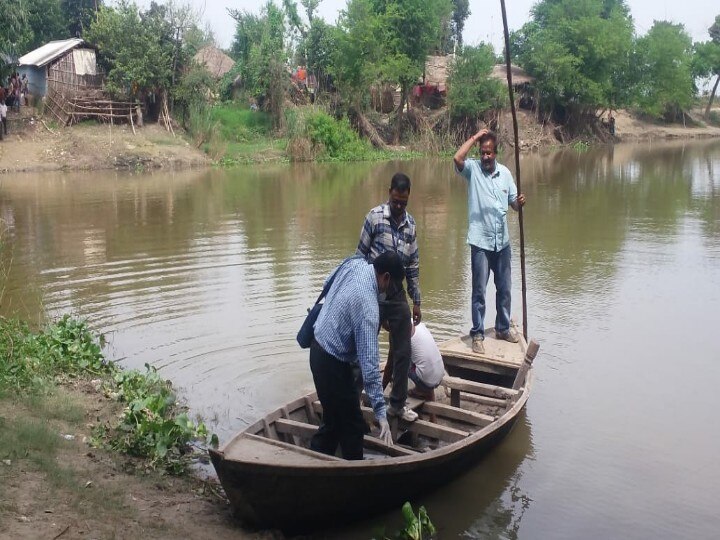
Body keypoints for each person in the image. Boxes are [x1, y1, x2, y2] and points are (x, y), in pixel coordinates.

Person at [310, 252, 403, 460]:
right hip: (329, 361)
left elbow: (327, 282)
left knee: (336, 420)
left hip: (318, 347)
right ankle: (353, 473)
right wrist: (381, 413)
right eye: (392, 287)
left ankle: (319, 464)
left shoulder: (355, 263)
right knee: (351, 425)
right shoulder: (368, 307)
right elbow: (369, 366)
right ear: (386, 277)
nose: (388, 293)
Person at [453, 129, 526, 354]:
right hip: (480, 243)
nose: (485, 157)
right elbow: (457, 158)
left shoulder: (505, 174)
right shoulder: (473, 170)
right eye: (482, 153)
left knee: (504, 289)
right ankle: (477, 334)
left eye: (489, 153)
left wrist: (520, 202)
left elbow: (513, 203)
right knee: (479, 292)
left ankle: (503, 328)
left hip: (502, 243)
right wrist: (474, 137)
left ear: (496, 153)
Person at [357, 172, 421, 422]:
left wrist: (416, 300)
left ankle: (397, 403)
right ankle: (356, 398)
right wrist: (359, 293)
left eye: (403, 203)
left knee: (403, 349)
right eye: (395, 201)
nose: (398, 207)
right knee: (364, 346)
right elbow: (359, 256)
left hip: (396, 294)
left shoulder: (411, 225)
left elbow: (413, 265)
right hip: (372, 290)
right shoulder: (374, 218)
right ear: (390, 192)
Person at [407, 322, 445, 402]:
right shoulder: (419, 324)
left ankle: (421, 390)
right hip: (440, 375)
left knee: (401, 361)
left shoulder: (401, 331)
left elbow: (391, 364)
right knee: (416, 356)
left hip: (428, 380)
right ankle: (422, 390)